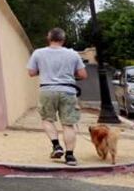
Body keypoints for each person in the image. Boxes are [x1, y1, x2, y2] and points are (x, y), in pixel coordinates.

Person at [27, 28, 88, 166]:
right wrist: (70, 74)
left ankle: (56, 146)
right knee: (68, 124)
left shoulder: (38, 53)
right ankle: (70, 156)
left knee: (47, 119)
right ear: (63, 40)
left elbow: (31, 72)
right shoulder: (73, 54)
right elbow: (83, 75)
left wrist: (45, 70)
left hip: (47, 89)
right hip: (68, 90)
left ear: (48, 38)